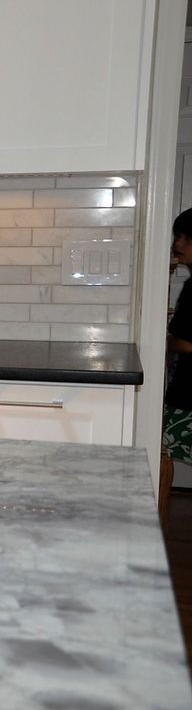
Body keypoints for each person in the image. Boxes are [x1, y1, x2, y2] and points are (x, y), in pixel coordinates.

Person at [162, 208, 192, 525]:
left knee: (164, 450)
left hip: (188, 391)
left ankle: (160, 518)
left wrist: (164, 338)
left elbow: (187, 343)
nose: (178, 244)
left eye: (184, 237)